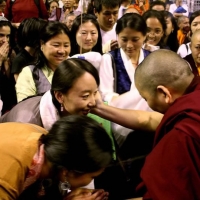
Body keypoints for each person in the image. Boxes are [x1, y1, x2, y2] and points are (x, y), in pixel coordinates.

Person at [93, 49, 200, 199]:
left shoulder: (181, 138)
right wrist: (99, 108)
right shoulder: (191, 108)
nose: (147, 104)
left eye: (145, 98)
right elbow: (149, 119)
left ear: (164, 94)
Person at [0, 115, 113, 199]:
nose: (91, 182)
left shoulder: (49, 141)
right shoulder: (7, 178)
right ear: (67, 172)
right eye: (92, 177)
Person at [15, 21, 71, 102]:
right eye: (56, 45)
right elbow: (25, 108)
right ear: (42, 44)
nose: (62, 51)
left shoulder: (76, 69)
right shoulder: (29, 73)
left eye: (66, 45)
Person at [0, 16, 17, 114]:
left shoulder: (11, 52)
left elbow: (10, 84)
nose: (5, 40)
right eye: (1, 35)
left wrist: (6, 63)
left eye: (8, 36)